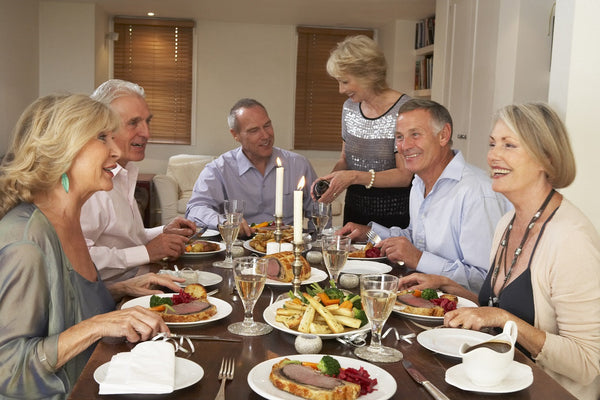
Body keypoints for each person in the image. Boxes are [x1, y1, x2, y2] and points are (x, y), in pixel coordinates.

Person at [397, 103, 600, 400]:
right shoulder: (508, 221)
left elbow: (587, 364)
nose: (493, 155)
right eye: (492, 144)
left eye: (509, 145)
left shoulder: (570, 239)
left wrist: (503, 319)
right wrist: (444, 284)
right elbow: (492, 305)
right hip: (496, 379)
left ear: (547, 157)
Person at [0, 94, 184, 399]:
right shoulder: (25, 242)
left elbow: (65, 303)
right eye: (102, 138)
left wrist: (123, 287)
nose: (115, 150)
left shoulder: (69, 219)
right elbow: (7, 370)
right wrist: (99, 325)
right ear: (62, 148)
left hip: (104, 376)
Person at [339, 99, 510, 293]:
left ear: (443, 135)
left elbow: (485, 281)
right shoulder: (419, 182)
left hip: (463, 314)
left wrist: (419, 259)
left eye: (415, 135)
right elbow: (416, 239)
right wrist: (370, 234)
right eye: (399, 137)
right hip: (421, 298)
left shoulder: (477, 192)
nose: (404, 146)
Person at [81, 79, 196, 282]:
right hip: (111, 298)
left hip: (140, 279)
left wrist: (163, 231)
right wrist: (147, 252)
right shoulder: (90, 184)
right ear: (102, 128)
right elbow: (79, 259)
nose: (146, 133)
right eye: (133, 123)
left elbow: (125, 238)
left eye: (147, 121)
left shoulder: (125, 172)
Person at [311, 35, 413, 228]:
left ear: (367, 74)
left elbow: (404, 175)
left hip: (394, 217)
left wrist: (354, 177)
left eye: (345, 82)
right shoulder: (349, 107)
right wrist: (331, 180)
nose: (341, 90)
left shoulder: (405, 109)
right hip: (354, 214)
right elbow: (345, 160)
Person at [186, 98, 317, 237]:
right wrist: (225, 222)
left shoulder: (299, 164)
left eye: (267, 125)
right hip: (240, 248)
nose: (266, 136)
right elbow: (195, 210)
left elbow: (319, 211)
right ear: (235, 135)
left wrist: (314, 244)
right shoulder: (219, 169)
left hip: (287, 247)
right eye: (254, 130)